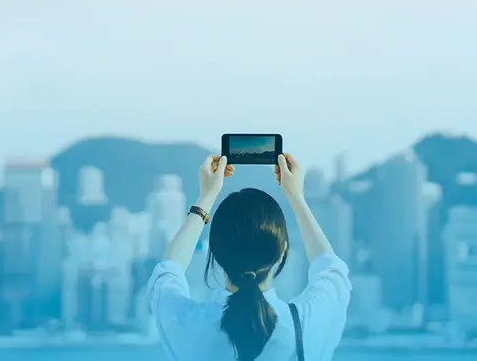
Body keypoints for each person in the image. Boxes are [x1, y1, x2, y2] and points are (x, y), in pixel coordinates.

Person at [146, 153, 352, 361]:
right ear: (282, 252)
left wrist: (207, 196)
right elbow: (330, 269)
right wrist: (296, 197)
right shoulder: (306, 324)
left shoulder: (188, 325)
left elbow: (168, 271)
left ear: (215, 254)